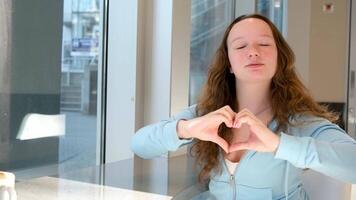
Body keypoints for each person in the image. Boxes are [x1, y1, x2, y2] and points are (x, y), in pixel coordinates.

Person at [130, 14, 356, 199]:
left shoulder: (300, 121)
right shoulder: (209, 113)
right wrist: (186, 129)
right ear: (228, 63)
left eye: (265, 44)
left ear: (280, 58)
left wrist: (279, 145)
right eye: (240, 46)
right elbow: (140, 144)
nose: (253, 51)